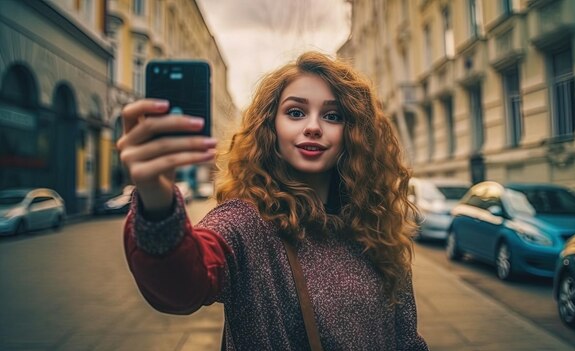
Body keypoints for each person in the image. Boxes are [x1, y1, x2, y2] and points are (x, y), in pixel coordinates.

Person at [118, 51, 429, 350]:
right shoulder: (246, 222)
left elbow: (407, 340)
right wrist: (156, 200)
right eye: (296, 112)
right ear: (271, 127)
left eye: (332, 115)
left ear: (353, 132)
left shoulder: (377, 228)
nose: (313, 126)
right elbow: (181, 284)